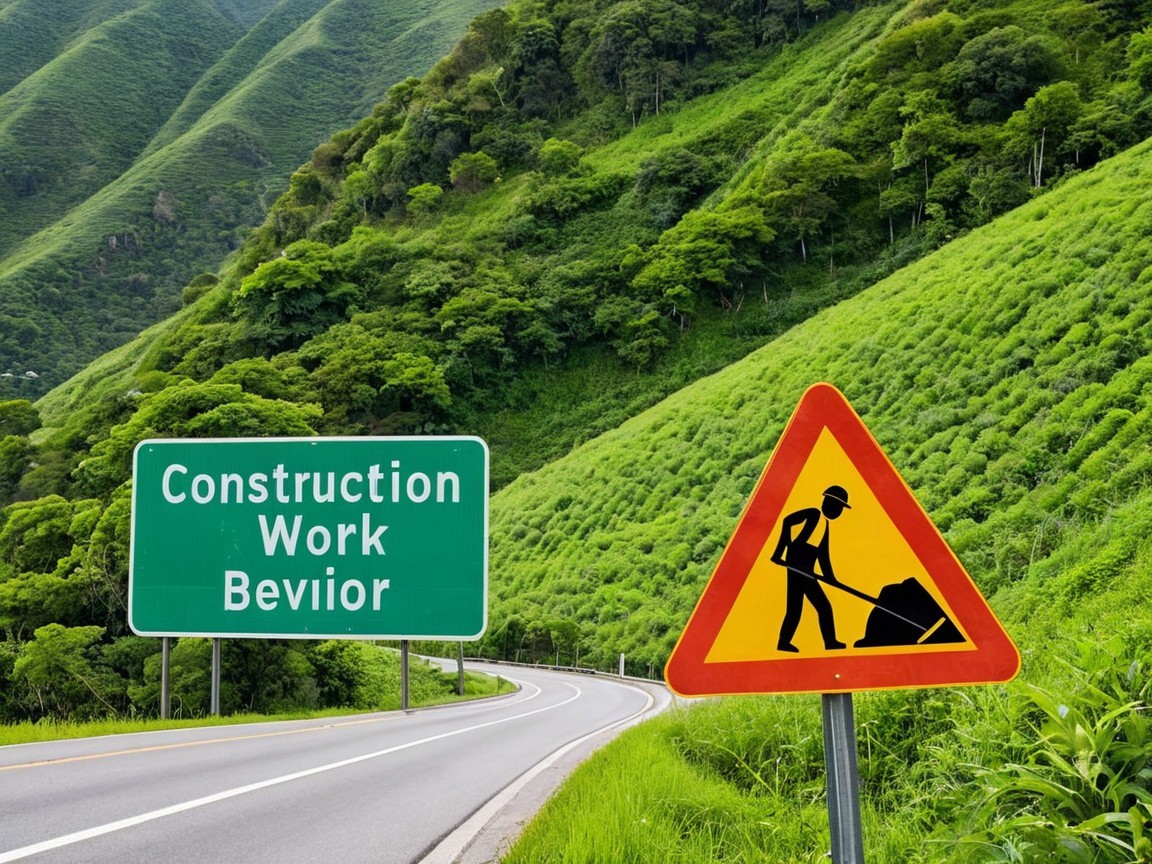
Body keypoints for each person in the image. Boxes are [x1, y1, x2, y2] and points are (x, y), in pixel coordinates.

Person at [769, 485, 851, 652]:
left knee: (795, 608)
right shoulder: (814, 514)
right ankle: (830, 642)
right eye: (838, 507)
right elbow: (787, 521)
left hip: (805, 570)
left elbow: (823, 554)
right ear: (828, 502)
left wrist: (831, 578)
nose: (838, 512)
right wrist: (779, 553)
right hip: (798, 568)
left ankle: (783, 643)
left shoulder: (824, 525)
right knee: (823, 607)